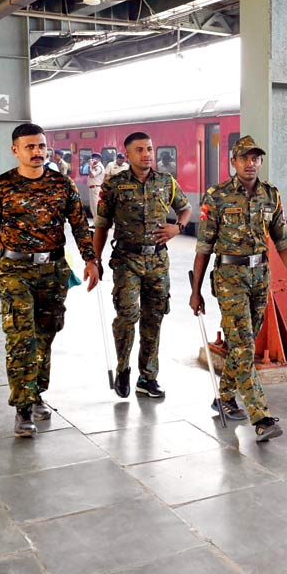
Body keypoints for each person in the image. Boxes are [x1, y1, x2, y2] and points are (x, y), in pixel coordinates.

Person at [0, 124, 100, 438]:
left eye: (41, 146)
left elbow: (79, 225)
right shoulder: (2, 186)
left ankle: (37, 392)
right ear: (15, 150)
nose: (37, 152)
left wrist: (90, 260)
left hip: (53, 269)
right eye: (29, 147)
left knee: (46, 334)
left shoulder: (62, 184)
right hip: (15, 270)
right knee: (20, 337)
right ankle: (22, 408)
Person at [189, 135, 287, 442]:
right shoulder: (216, 196)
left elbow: (282, 238)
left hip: (259, 275)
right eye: (244, 158)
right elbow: (204, 246)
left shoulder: (271, 196)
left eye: (255, 158)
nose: (250, 163)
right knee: (241, 343)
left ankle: (224, 397)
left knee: (245, 342)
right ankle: (261, 416)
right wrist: (196, 290)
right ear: (233, 162)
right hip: (229, 276)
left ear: (260, 162)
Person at [93, 132, 192, 400]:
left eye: (149, 148)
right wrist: (95, 260)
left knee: (154, 318)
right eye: (140, 150)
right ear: (128, 155)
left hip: (158, 261)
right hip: (127, 260)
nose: (146, 154)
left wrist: (177, 228)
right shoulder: (113, 185)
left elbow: (186, 208)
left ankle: (148, 377)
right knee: (127, 315)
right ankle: (123, 367)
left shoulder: (165, 182)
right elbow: (102, 226)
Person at [86, 153, 106, 220]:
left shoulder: (99, 167)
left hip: (96, 189)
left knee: (95, 206)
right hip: (92, 188)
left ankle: (98, 223)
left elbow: (92, 175)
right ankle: (95, 223)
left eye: (95, 158)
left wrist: (90, 165)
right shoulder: (94, 166)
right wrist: (91, 166)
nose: (93, 159)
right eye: (93, 158)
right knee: (93, 207)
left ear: (99, 159)